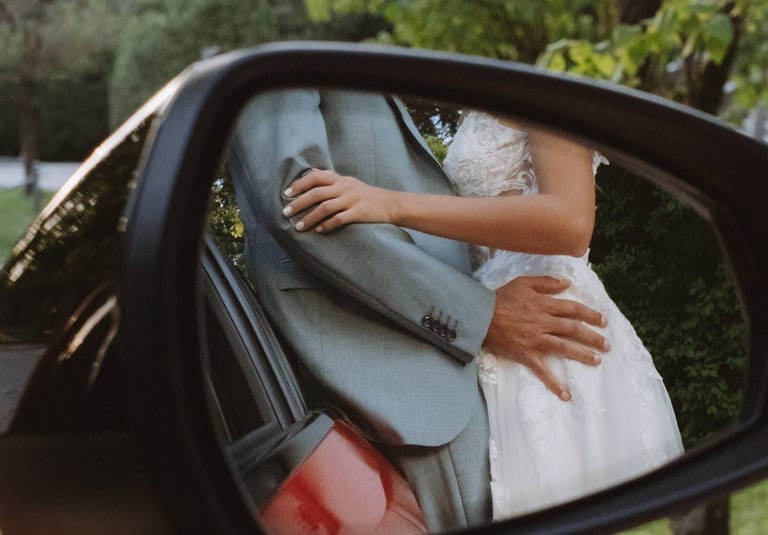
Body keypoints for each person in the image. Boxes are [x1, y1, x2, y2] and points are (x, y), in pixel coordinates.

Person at [228, 90, 609, 531]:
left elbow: (570, 220)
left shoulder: (535, 82)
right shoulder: (288, 57)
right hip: (413, 355)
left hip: (535, 331)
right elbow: (300, 203)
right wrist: (480, 315)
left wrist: (477, 311)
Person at [281, 109, 685, 519]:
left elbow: (571, 221)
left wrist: (390, 205)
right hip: (499, 321)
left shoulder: (540, 84)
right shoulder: (481, 102)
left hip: (549, 319)